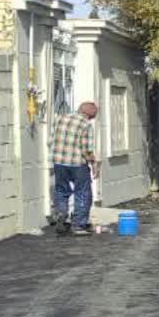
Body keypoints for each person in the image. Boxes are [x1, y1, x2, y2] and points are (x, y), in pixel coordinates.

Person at [49, 100, 100, 237]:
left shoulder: (60, 118)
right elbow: (86, 149)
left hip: (59, 162)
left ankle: (62, 216)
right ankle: (78, 225)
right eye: (93, 116)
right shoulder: (86, 124)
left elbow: (50, 141)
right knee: (83, 192)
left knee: (61, 190)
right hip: (77, 163)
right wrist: (94, 164)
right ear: (90, 115)